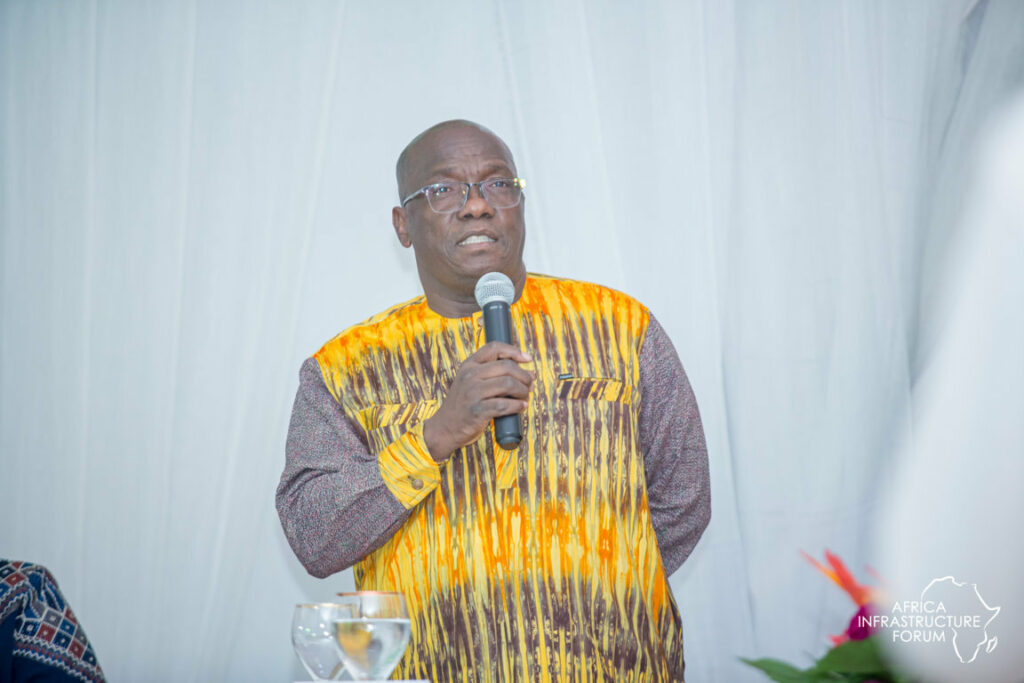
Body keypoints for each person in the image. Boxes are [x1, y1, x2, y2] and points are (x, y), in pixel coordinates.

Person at [276, 120, 710, 682]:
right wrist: (435, 436)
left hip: (613, 667)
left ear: (520, 205)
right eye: (444, 189)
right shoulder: (346, 368)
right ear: (403, 225)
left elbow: (684, 498)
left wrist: (600, 583)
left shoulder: (622, 328)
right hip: (433, 668)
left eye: (498, 184)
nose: (477, 205)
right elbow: (315, 536)